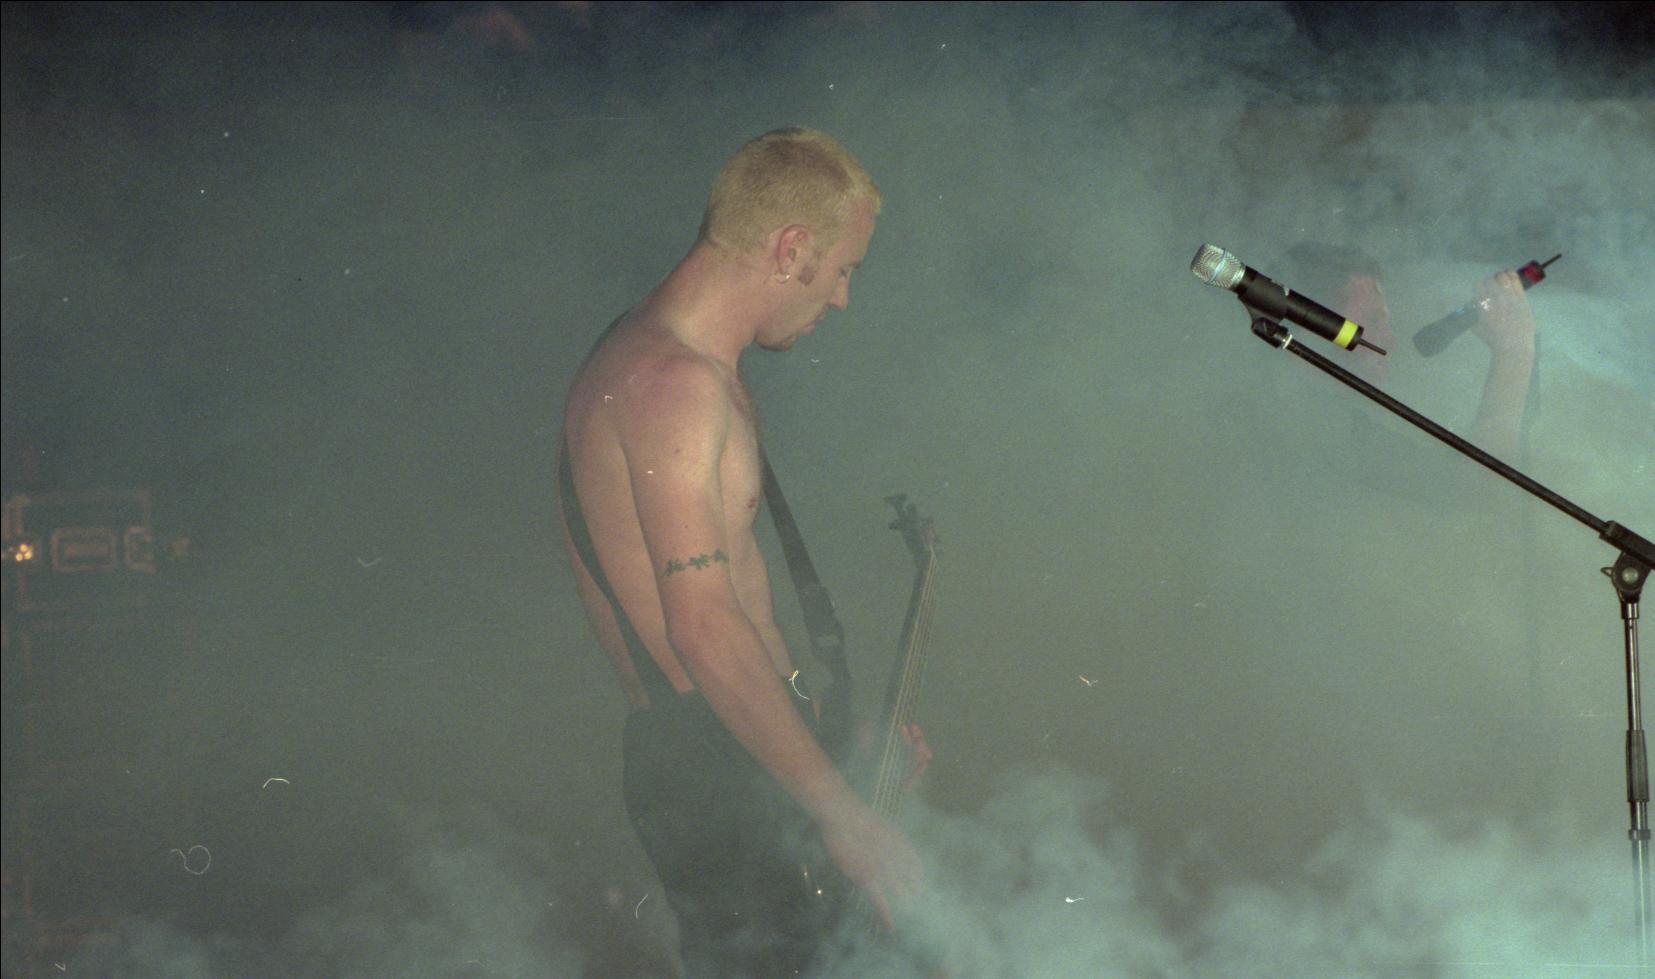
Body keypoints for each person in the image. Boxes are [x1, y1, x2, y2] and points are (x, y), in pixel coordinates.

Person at [556, 127, 924, 977]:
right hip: (714, 765)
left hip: (725, 751)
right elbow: (703, 628)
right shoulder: (672, 388)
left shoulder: (659, 356)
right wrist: (841, 812)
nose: (841, 299)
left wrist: (829, 742)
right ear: (790, 248)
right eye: (842, 270)